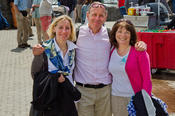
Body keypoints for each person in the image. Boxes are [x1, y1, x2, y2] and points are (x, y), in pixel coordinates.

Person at [32, 2, 147, 116]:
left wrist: (140, 44)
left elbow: (125, 43)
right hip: (83, 92)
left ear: (105, 17)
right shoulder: (77, 33)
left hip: (105, 92)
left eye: (101, 15)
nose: (97, 18)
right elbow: (59, 41)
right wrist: (41, 48)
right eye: (94, 14)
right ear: (87, 15)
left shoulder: (110, 35)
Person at [30, 15, 81, 116]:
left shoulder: (73, 50)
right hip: (50, 100)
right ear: (54, 28)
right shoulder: (44, 49)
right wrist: (55, 78)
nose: (64, 31)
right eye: (60, 27)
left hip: (68, 99)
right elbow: (34, 75)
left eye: (67, 28)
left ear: (71, 30)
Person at [108, 19, 152, 116]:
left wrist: (146, 100)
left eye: (127, 32)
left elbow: (147, 79)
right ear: (114, 34)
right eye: (119, 31)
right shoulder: (111, 50)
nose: (122, 35)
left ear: (131, 34)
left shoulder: (139, 52)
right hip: (116, 97)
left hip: (135, 98)